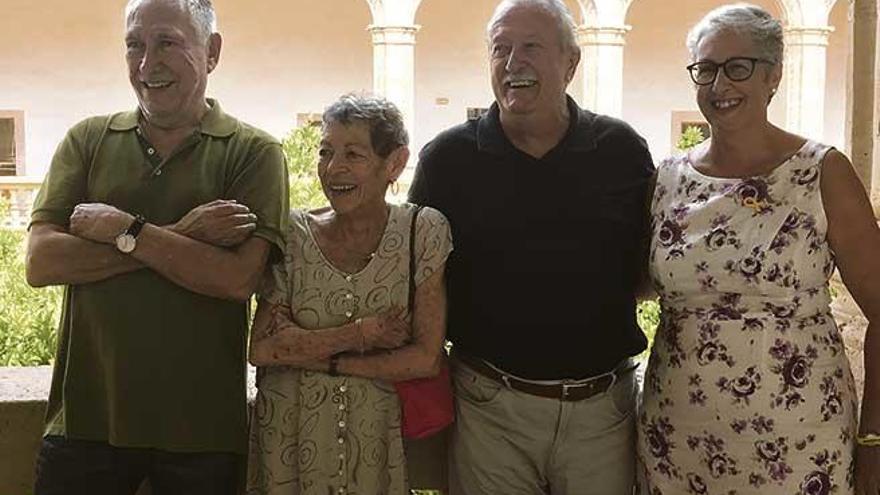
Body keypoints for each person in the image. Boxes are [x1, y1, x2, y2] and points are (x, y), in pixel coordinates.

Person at [25, 0, 288, 493]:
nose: (147, 64)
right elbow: (41, 263)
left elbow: (235, 280)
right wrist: (182, 233)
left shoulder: (254, 153)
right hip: (85, 424)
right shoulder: (88, 140)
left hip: (202, 434)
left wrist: (126, 228)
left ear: (211, 52)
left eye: (167, 42)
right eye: (134, 45)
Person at [408, 0, 655, 492]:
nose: (512, 61)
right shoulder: (447, 160)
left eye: (531, 47)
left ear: (571, 63)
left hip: (601, 413)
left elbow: (650, 270)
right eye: (500, 49)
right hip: (488, 409)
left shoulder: (621, 151)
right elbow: (417, 280)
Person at [636, 4, 880, 494]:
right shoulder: (666, 179)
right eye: (705, 69)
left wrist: (873, 438)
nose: (719, 85)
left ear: (774, 76)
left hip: (798, 438)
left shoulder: (821, 172)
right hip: (676, 435)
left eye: (738, 68)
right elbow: (635, 284)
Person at [246, 93, 453, 495]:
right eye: (326, 152)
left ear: (393, 162)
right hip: (289, 438)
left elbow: (425, 359)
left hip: (376, 440)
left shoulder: (422, 232)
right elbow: (263, 349)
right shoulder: (294, 235)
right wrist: (362, 336)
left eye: (353, 154)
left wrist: (314, 352)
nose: (333, 168)